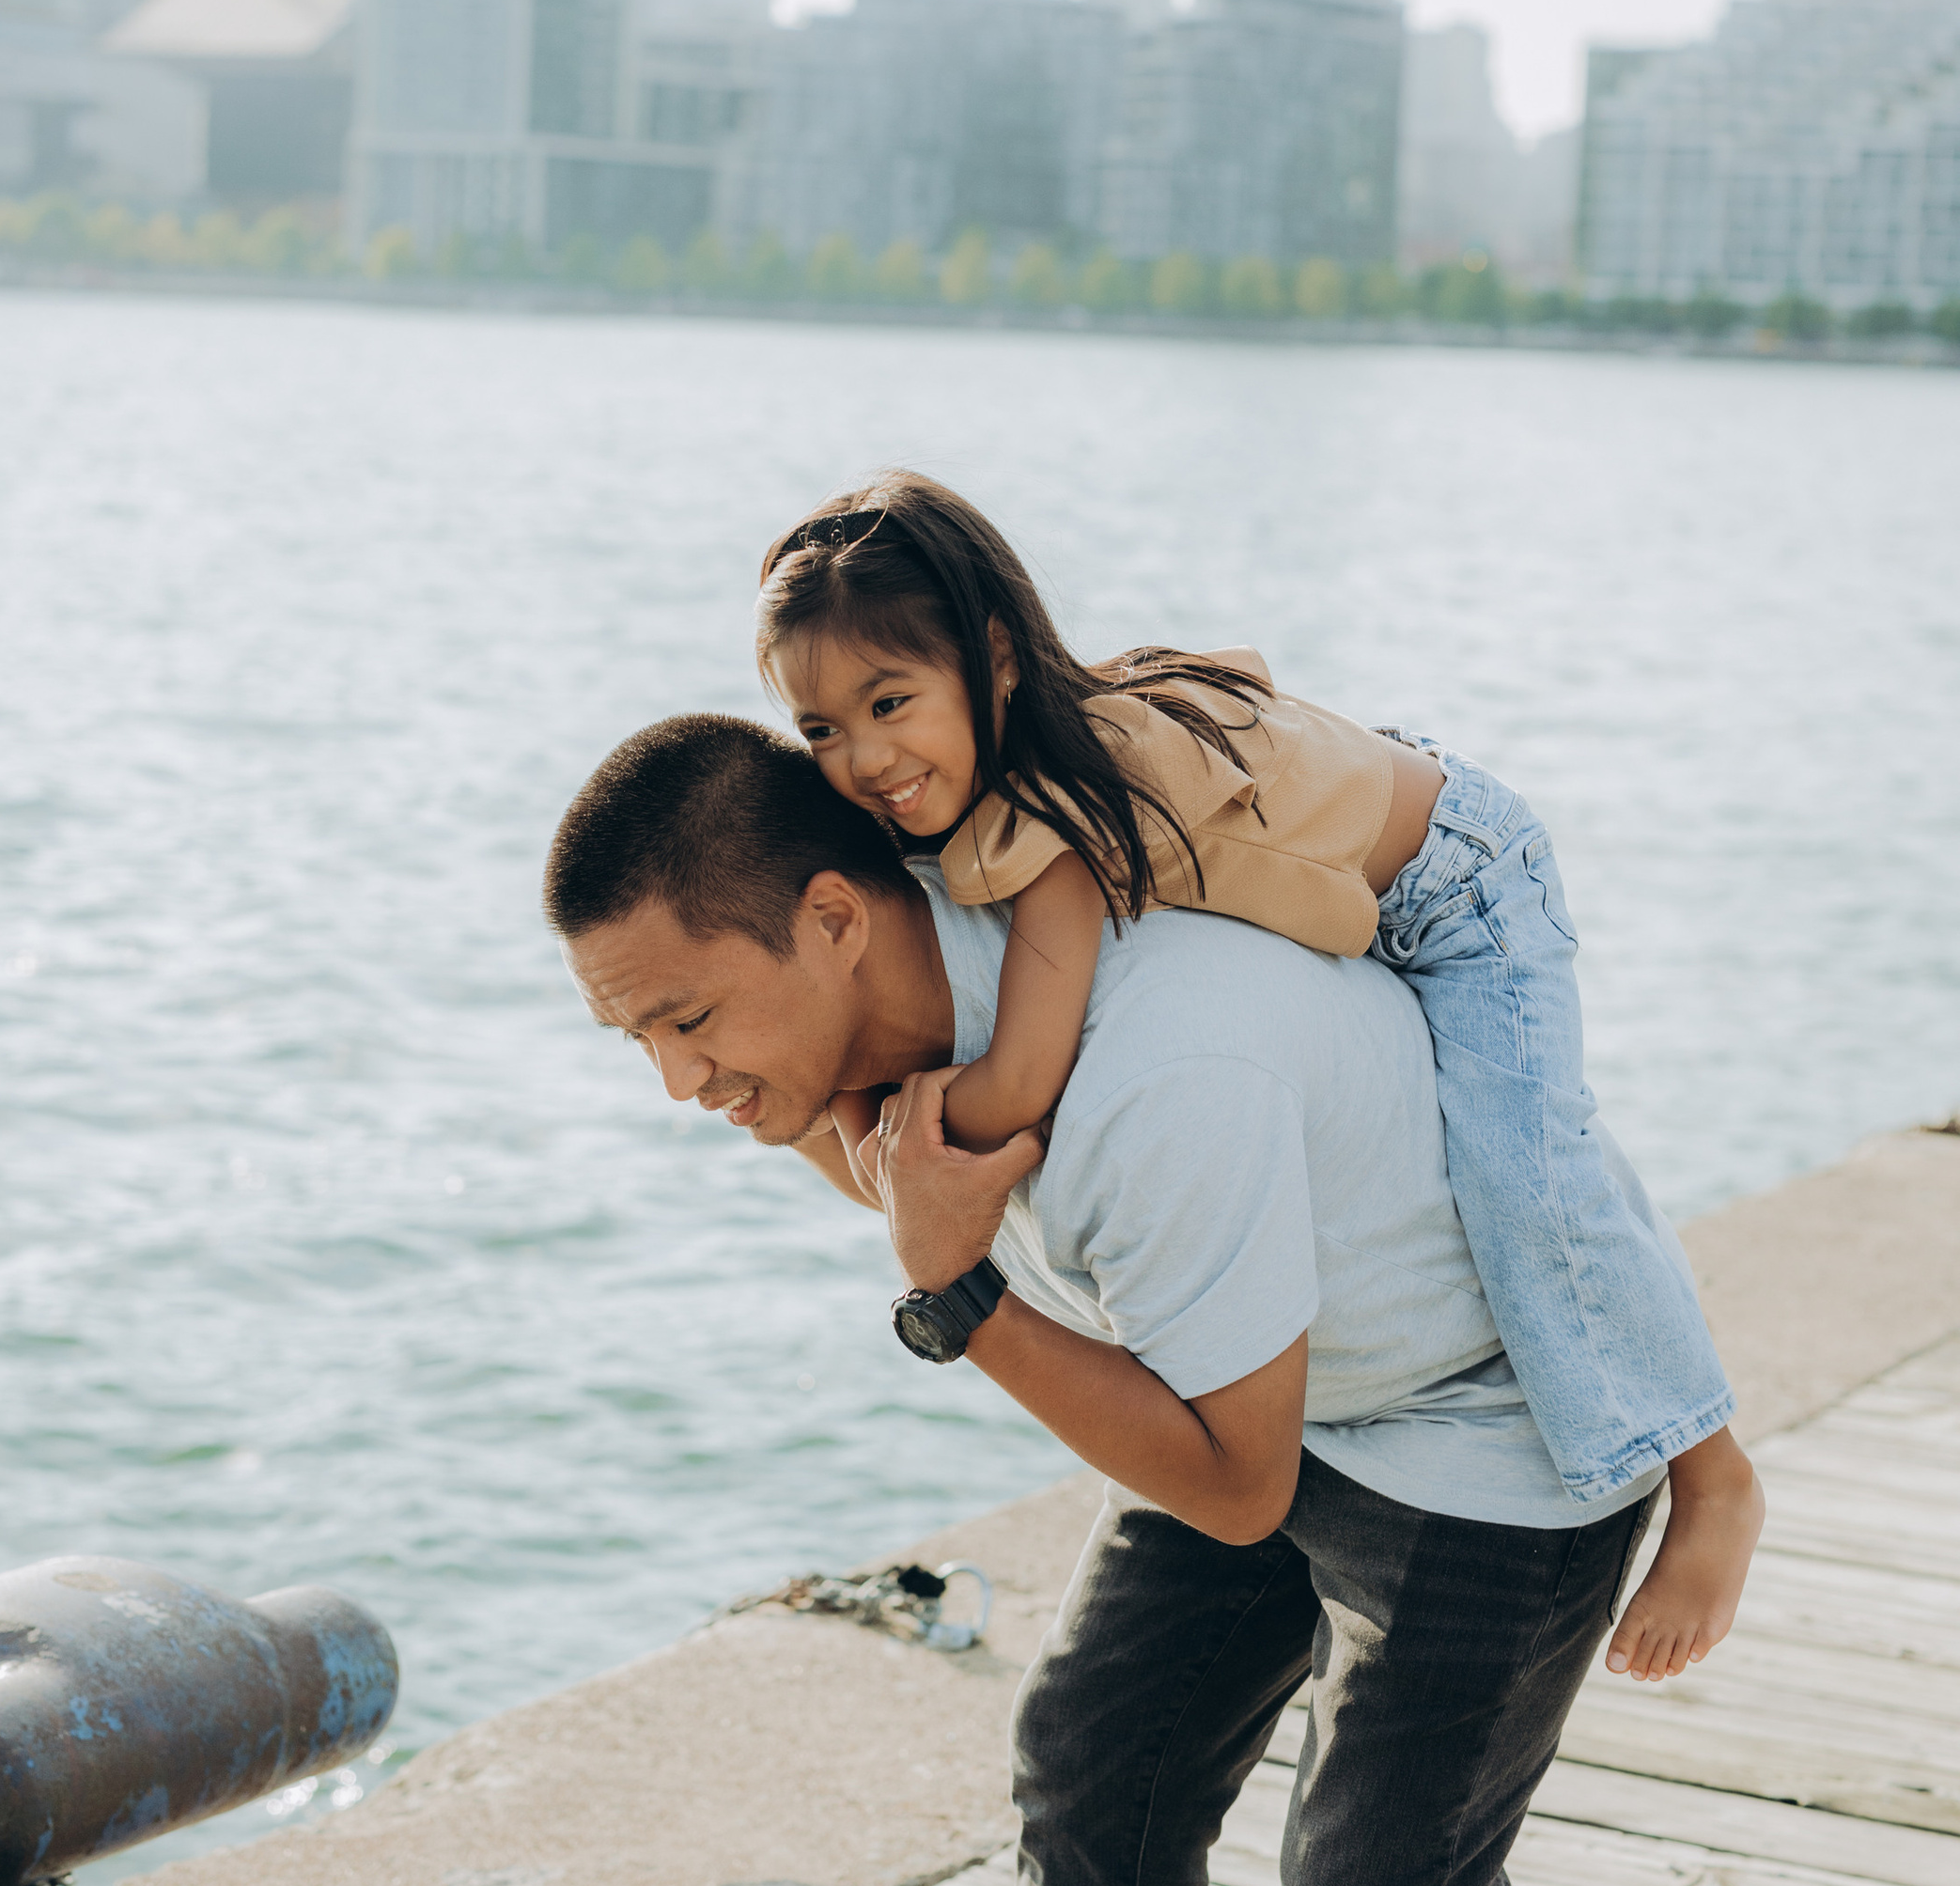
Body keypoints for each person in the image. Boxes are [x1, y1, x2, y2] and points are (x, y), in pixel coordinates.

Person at [545, 710, 1717, 1886]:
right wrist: (854, 1165)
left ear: (838, 923)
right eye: (638, 1041)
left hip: (1484, 1430)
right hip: (1286, 1378)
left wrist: (950, 1287)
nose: (676, 1081)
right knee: (1094, 1769)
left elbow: (1230, 1487)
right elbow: (1204, 1424)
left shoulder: (1154, 1072)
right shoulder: (905, 1006)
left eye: (689, 1023)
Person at [753, 474, 1760, 1686]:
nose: (863, 757)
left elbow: (1020, 1081)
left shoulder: (1064, 809)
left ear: (996, 661)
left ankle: (1712, 1478)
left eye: (889, 701)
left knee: (1526, 1170)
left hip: (1460, 887)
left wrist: (899, 1140)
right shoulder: (979, 786)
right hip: (1355, 880)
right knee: (1477, 1150)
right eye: (820, 730)